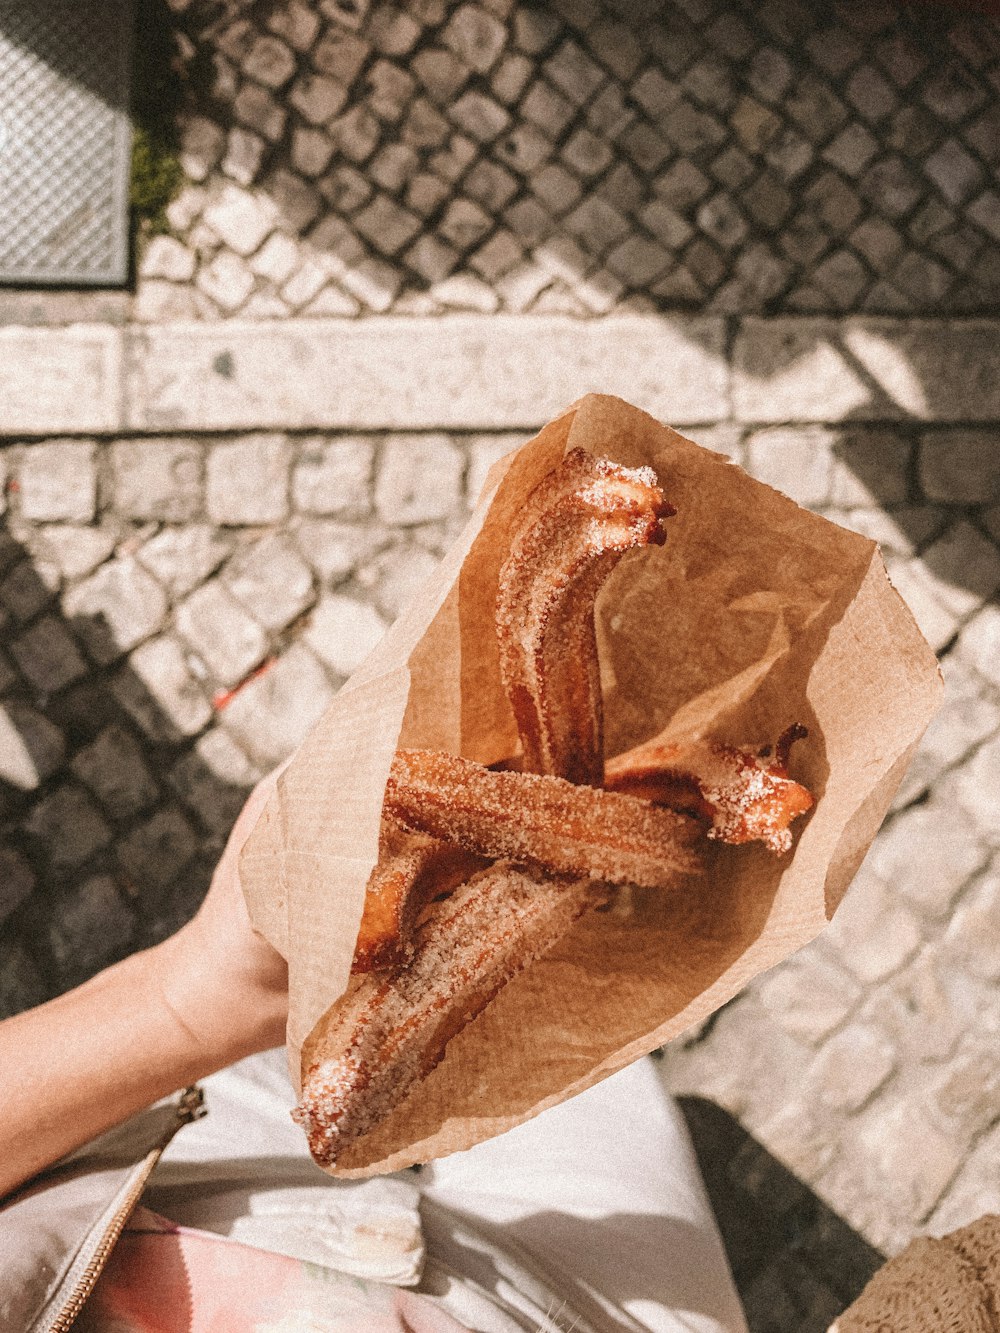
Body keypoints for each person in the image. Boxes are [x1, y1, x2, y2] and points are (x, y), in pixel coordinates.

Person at [0, 771, 749, 1333]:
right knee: (603, 1069)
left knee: (333, 1045)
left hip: (210, 1187)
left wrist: (197, 1001)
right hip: (596, 1314)